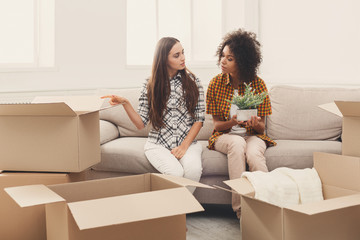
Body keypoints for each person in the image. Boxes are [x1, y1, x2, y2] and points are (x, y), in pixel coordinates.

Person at [102, 37, 205, 193]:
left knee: (193, 171)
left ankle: (176, 211)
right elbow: (140, 123)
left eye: (183, 53)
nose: (183, 58)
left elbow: (199, 119)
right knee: (176, 173)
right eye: (176, 55)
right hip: (158, 144)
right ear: (164, 59)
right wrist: (126, 103)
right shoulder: (150, 84)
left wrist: (184, 147)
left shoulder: (193, 81)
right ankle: (178, 212)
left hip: (188, 144)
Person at [206, 29, 276, 217]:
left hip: (253, 135)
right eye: (222, 56)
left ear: (243, 62)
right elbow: (217, 126)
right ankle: (241, 210)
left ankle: (267, 206)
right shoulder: (215, 84)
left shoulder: (258, 85)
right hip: (224, 136)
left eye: (230, 58)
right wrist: (232, 122)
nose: (222, 61)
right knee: (237, 143)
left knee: (253, 155)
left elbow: (262, 128)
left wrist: (254, 123)